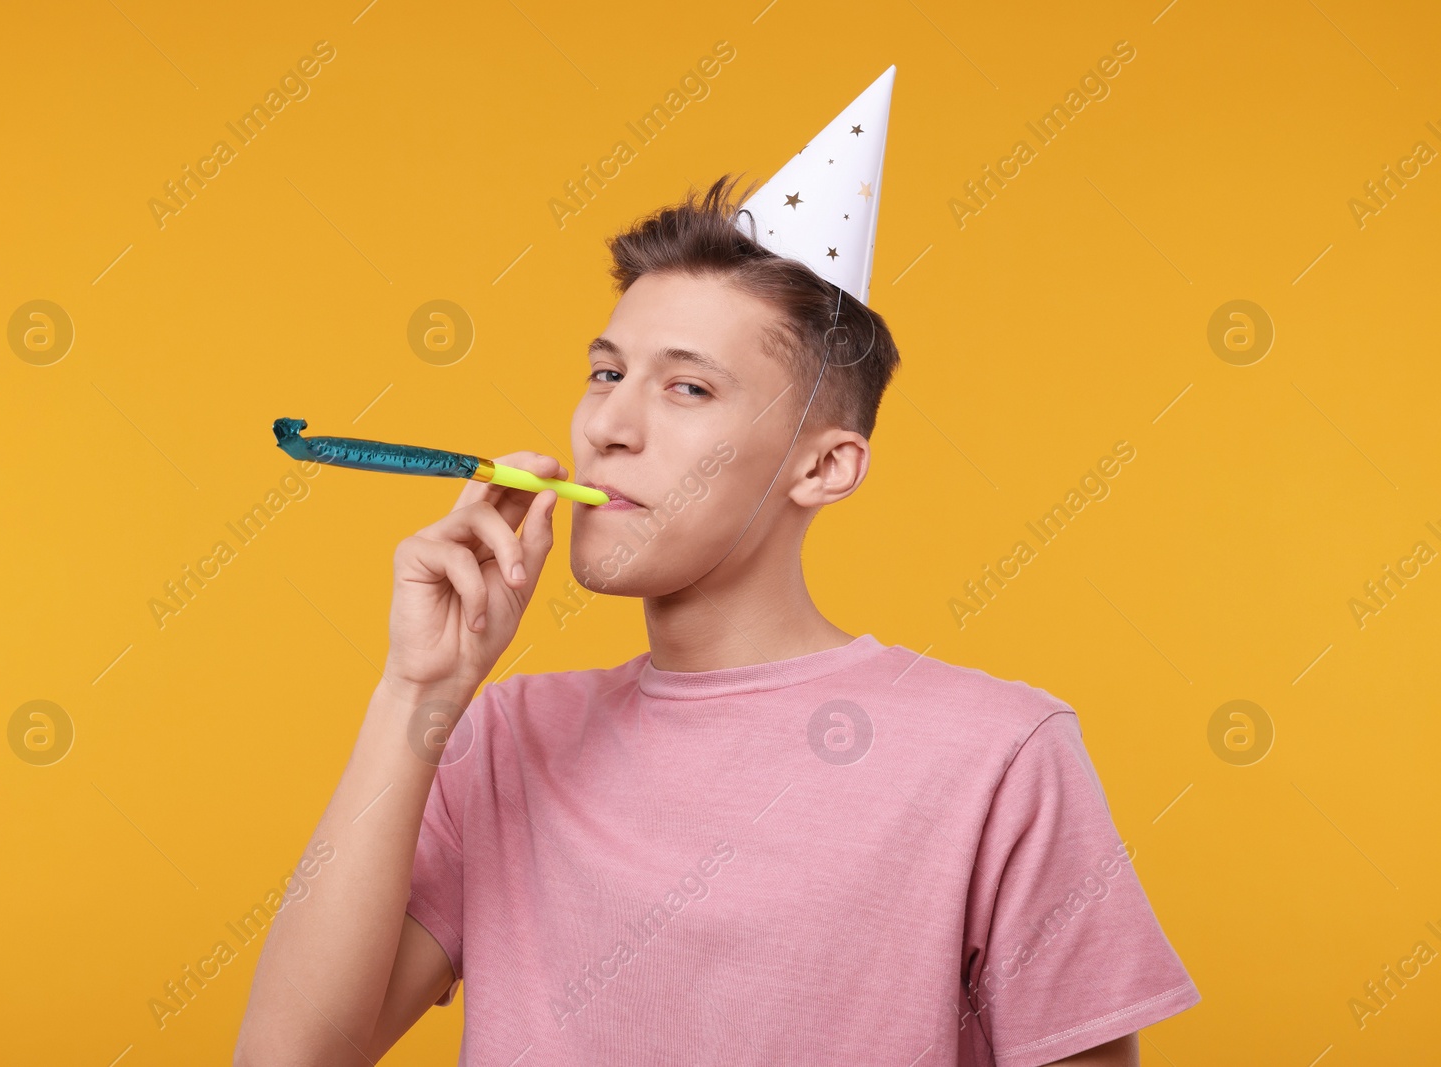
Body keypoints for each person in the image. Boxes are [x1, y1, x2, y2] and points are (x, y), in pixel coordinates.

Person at [235, 70, 1198, 1067]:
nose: (609, 424)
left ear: (823, 466)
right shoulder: (507, 741)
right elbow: (291, 1056)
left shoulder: (1000, 754)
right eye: (606, 372)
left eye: (687, 386)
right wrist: (416, 694)